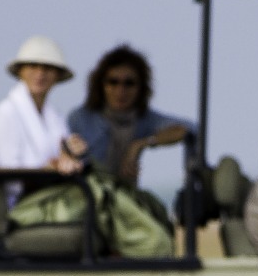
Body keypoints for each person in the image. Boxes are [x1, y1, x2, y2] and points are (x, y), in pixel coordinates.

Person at [67, 45, 193, 187]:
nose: (121, 90)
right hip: (87, 195)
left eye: (129, 83)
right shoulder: (80, 118)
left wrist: (140, 144)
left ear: (141, 88)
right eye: (113, 82)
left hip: (124, 196)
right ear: (101, 85)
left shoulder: (144, 119)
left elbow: (189, 128)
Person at [0, 36, 86, 174]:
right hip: (27, 195)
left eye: (47, 68)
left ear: (57, 75)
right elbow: (9, 177)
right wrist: (51, 168)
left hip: (56, 190)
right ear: (20, 71)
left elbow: (60, 160)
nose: (40, 74)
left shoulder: (56, 116)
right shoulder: (5, 113)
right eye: (33, 66)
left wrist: (69, 154)